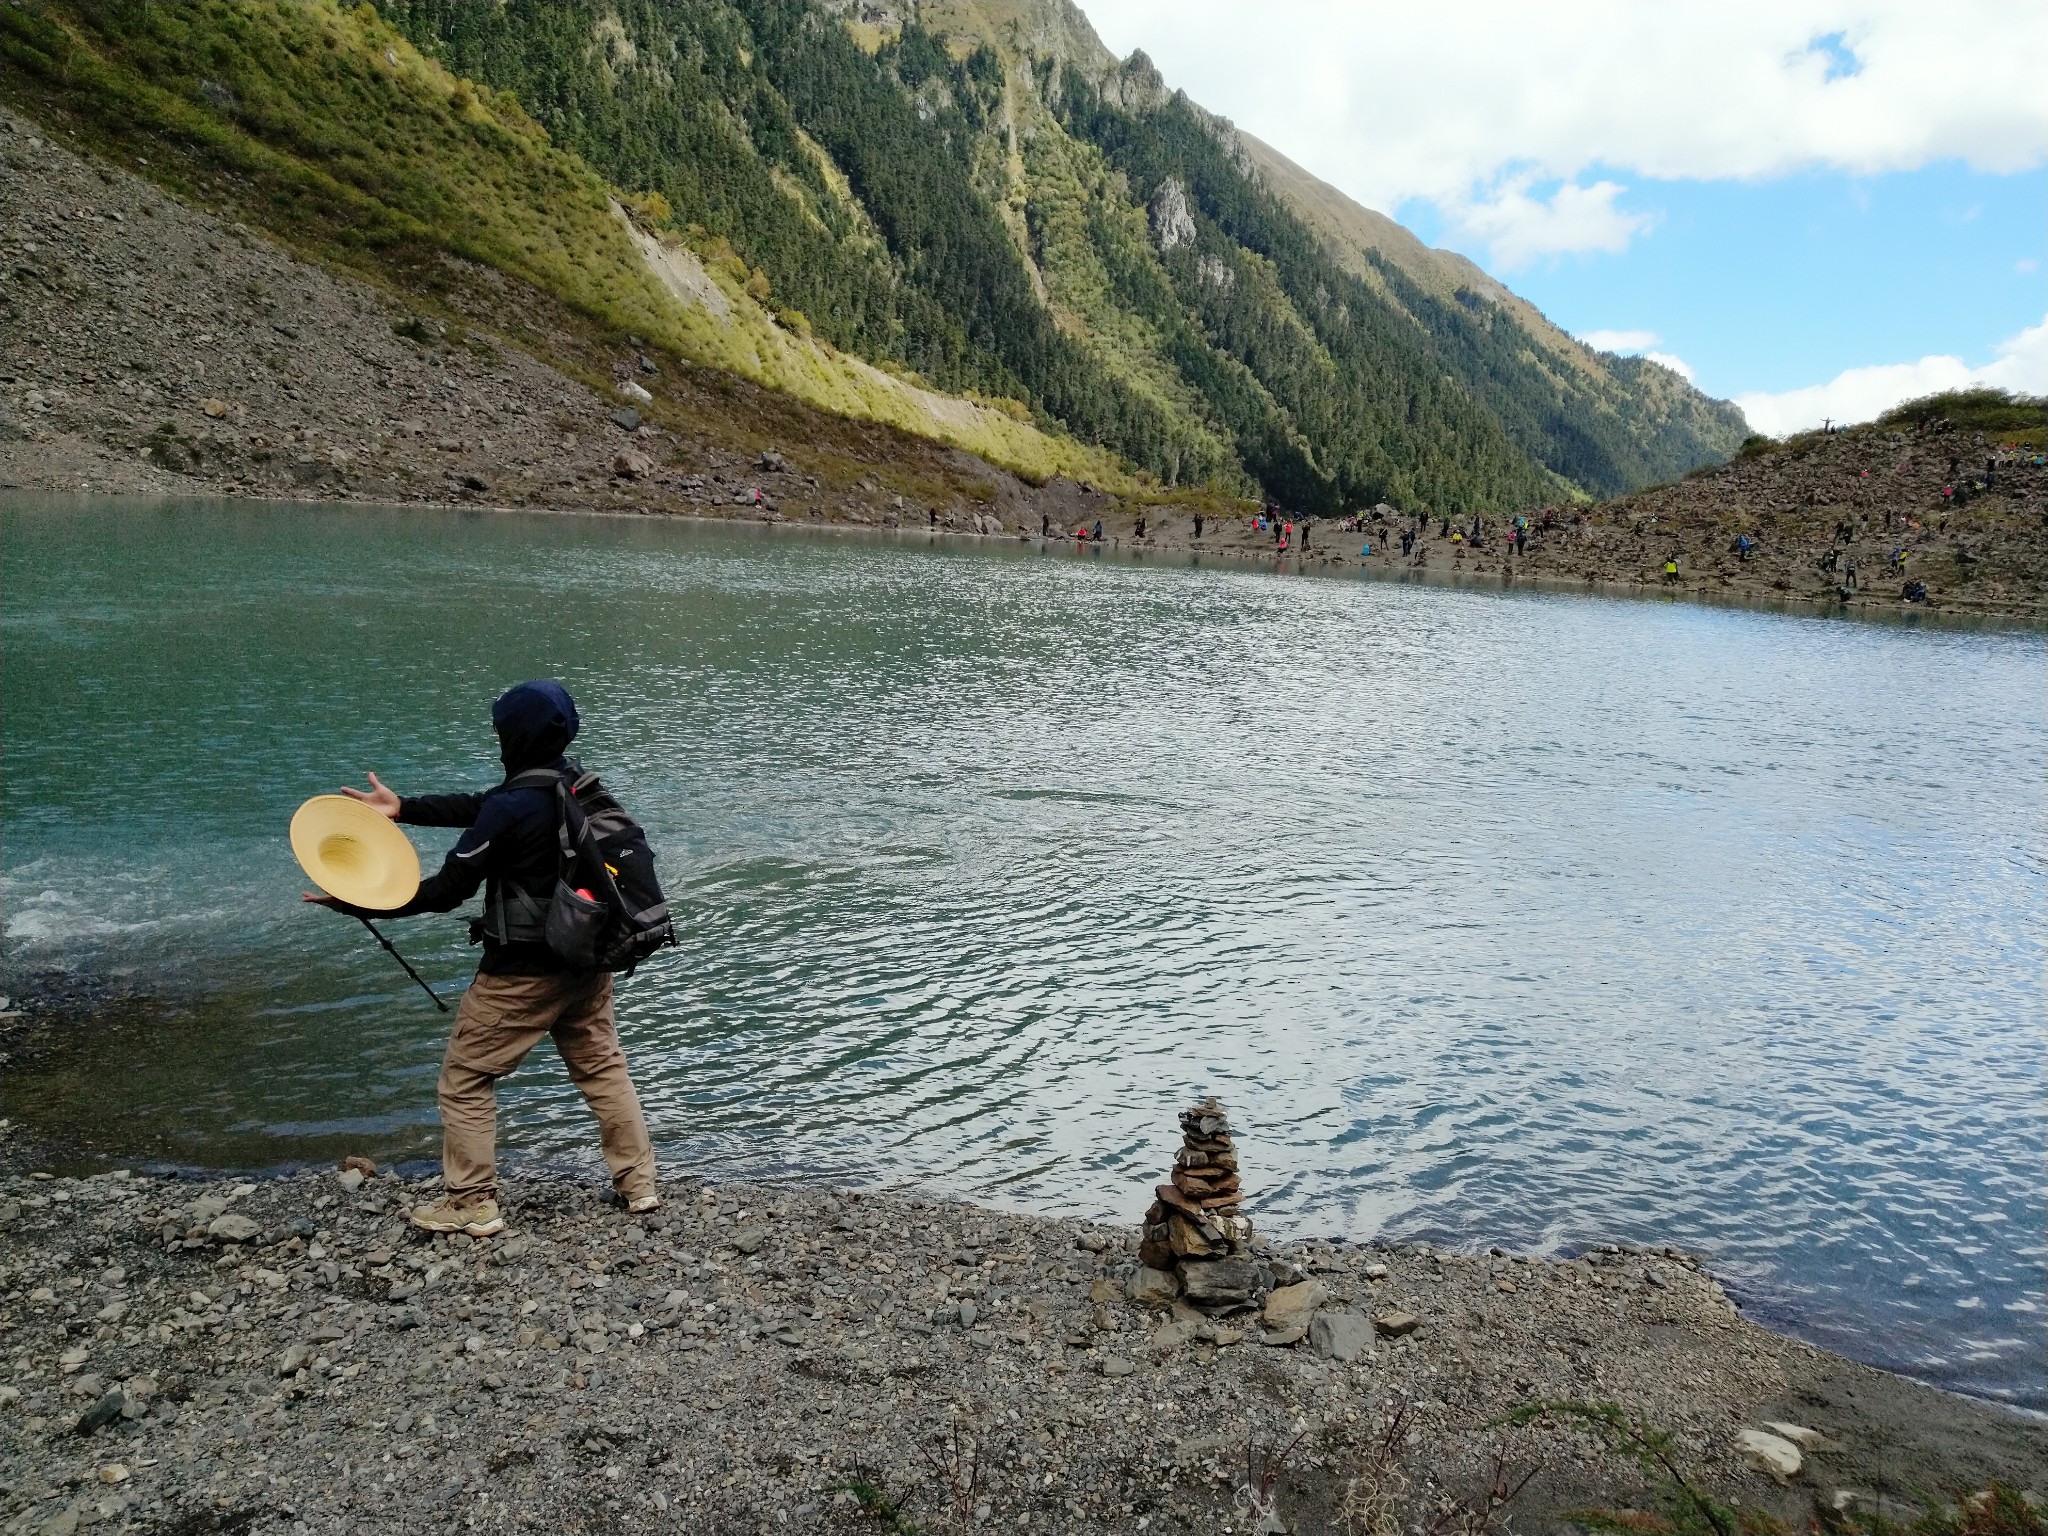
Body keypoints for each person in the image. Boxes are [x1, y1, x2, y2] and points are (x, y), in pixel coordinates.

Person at [303, 681, 659, 1237]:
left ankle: (471, 1202)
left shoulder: (513, 805)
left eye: (500, 730)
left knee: (464, 1079)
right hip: (586, 961)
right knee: (602, 1069)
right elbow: (487, 807)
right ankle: (638, 1185)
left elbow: (446, 889)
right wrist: (405, 809)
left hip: (520, 975)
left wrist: (356, 902)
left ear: (513, 736)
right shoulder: (575, 785)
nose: (497, 739)